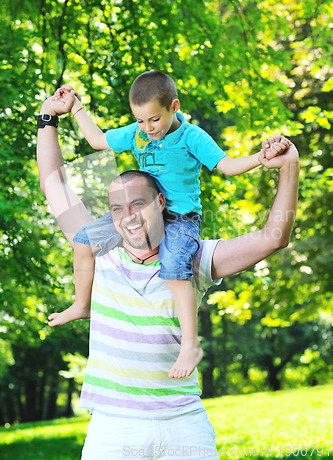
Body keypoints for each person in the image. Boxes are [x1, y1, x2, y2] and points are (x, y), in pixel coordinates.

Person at [37, 93, 299, 459]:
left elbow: (275, 238)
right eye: (118, 209)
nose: (128, 217)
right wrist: (48, 116)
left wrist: (289, 167)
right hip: (114, 427)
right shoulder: (102, 251)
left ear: (161, 202)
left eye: (139, 204)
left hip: (183, 424)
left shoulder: (193, 256)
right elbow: (54, 184)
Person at [47, 71, 288, 379]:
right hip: (144, 211)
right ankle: (82, 304)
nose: (148, 129)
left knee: (173, 265)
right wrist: (76, 106)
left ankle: (189, 344)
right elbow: (96, 140)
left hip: (180, 218)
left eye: (154, 120)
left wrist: (260, 158)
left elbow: (227, 167)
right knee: (83, 240)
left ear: (174, 106)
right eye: (140, 121)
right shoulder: (137, 134)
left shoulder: (192, 137)